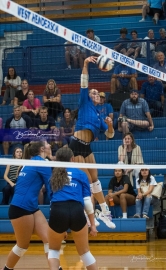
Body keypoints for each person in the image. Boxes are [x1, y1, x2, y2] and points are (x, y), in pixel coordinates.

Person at [69, 56, 116, 229]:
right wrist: (86, 63)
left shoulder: (99, 116)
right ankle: (89, 216)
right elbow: (84, 81)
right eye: (93, 92)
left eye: (98, 93)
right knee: (87, 181)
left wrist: (110, 126)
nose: (95, 94)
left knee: (96, 181)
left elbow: (110, 136)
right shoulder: (84, 101)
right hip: (76, 144)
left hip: (87, 147)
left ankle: (104, 212)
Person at [1, 141, 52, 270]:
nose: (50, 145)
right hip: (20, 208)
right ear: (42, 149)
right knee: (22, 246)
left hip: (32, 206)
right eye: (47, 144)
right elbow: (52, 188)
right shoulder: (41, 163)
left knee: (49, 240)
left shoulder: (29, 162)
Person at [48, 147, 98, 270]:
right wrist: (93, 225)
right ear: (72, 159)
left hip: (57, 210)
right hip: (76, 210)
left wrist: (61, 227)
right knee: (85, 252)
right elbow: (87, 201)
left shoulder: (54, 175)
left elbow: (52, 201)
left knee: (54, 250)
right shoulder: (80, 173)